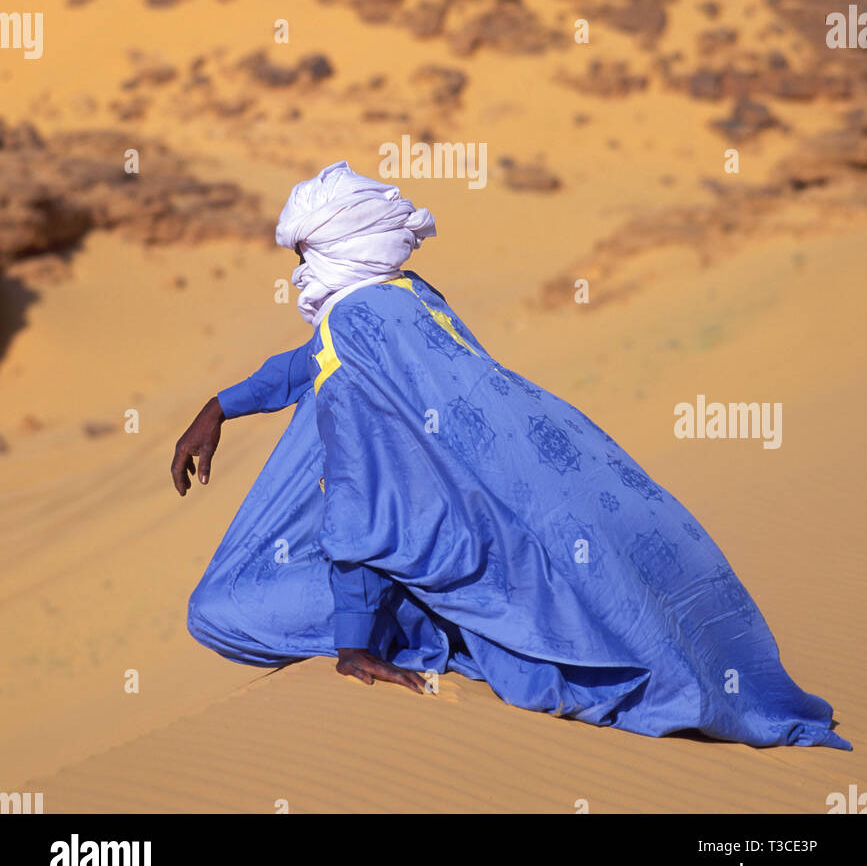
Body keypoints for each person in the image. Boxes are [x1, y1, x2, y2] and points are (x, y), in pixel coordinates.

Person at [172, 161, 850, 748]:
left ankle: (420, 628)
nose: (296, 274)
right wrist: (222, 405)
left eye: (301, 259)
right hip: (473, 534)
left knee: (220, 614)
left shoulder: (352, 337)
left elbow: (362, 508)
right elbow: (310, 363)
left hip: (421, 560)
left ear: (328, 257)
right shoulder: (408, 298)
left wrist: (353, 645)